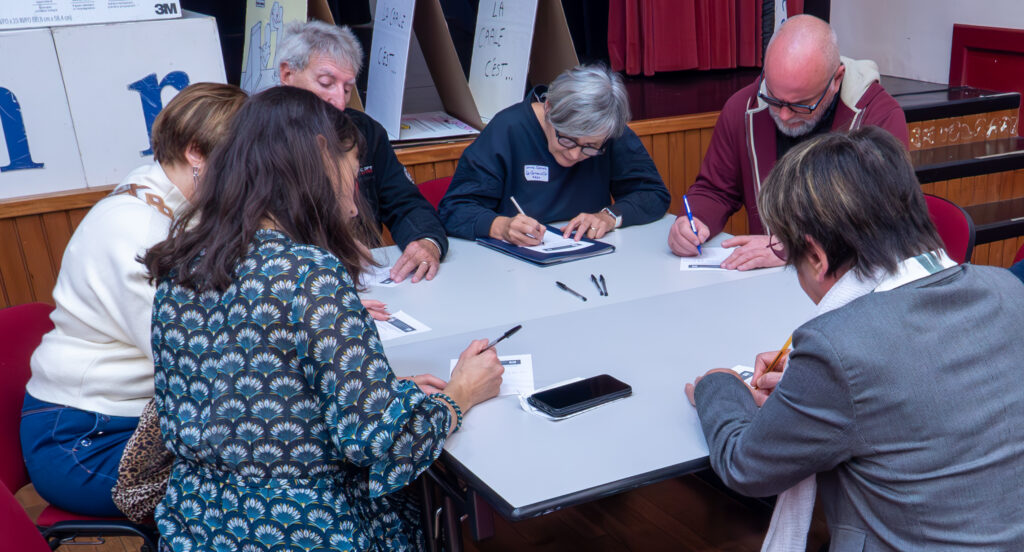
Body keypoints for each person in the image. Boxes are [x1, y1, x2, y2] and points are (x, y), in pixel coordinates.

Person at [143, 86, 504, 551]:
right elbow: (380, 445)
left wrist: (380, 391)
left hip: (196, 526)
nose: (354, 206)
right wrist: (460, 394)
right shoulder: (310, 276)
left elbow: (261, 397)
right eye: (351, 177)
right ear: (318, 156)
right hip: (307, 530)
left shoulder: (183, 264)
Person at [685, 126, 1024, 550]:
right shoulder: (1007, 290)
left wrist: (719, 384)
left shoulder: (838, 348)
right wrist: (814, 385)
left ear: (816, 256)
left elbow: (747, 467)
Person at [19, 83, 247, 516]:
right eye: (242, 160)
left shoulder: (173, 203)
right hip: (86, 442)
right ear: (196, 152)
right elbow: (197, 365)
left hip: (137, 423)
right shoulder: (136, 230)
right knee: (256, 487)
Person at [668, 14, 909, 271]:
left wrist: (790, 248)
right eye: (773, 97)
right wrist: (693, 222)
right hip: (769, 281)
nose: (783, 115)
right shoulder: (744, 107)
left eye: (800, 105)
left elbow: (882, 221)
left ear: (836, 80)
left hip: (849, 281)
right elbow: (716, 190)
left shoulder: (877, 117)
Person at [277, 20, 447, 284]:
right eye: (325, 83)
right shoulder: (259, 136)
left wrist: (426, 241)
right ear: (287, 74)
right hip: (292, 284)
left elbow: (405, 203)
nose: (339, 101)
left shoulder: (365, 131)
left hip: (369, 280)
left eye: (347, 88)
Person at [438, 64, 670, 245]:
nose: (575, 154)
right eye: (567, 139)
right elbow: (455, 208)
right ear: (549, 108)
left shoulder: (607, 131)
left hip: (590, 258)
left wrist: (609, 216)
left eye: (590, 147)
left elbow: (652, 194)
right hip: (514, 267)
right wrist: (502, 226)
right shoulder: (508, 129)